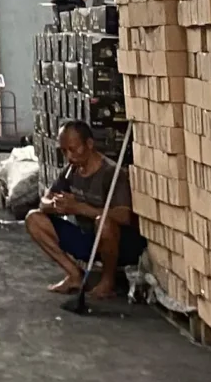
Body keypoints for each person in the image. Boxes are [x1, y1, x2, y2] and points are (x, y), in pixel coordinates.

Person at [25, 119, 137, 301]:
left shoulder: (111, 172)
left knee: (104, 223)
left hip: (116, 243)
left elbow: (124, 216)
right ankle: (74, 274)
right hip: (86, 238)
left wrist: (79, 208)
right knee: (33, 219)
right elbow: (44, 202)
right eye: (64, 151)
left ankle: (108, 281)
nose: (69, 156)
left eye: (73, 149)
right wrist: (56, 205)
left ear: (89, 144)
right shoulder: (71, 170)